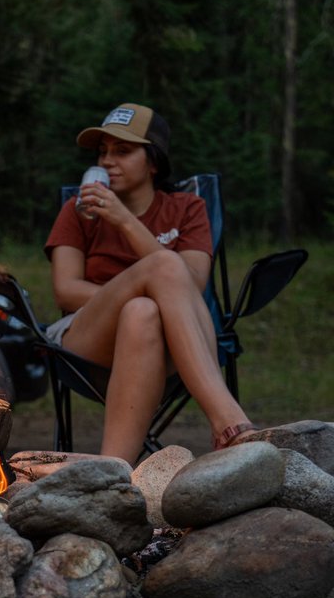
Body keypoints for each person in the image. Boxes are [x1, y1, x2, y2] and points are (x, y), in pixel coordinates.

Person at [44, 102, 255, 464]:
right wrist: (137, 284)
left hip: (170, 341)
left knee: (142, 311)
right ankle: (229, 419)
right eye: (103, 151)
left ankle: (115, 474)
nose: (108, 161)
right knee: (160, 269)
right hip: (85, 338)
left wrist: (124, 220)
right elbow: (66, 290)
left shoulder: (187, 208)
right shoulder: (79, 210)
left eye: (123, 151)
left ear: (154, 161)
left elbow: (193, 283)